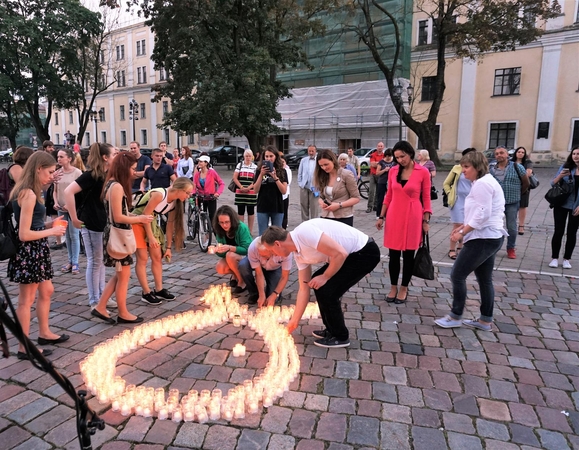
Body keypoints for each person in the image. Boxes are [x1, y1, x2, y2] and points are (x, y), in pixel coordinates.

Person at [261, 220, 380, 348]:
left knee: (328, 291)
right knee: (318, 284)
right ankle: (331, 330)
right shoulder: (298, 254)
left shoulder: (304, 233)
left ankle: (340, 336)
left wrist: (325, 276)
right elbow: (304, 288)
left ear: (277, 244)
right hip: (347, 256)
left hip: (365, 253)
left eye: (271, 250)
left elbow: (340, 253)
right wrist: (294, 322)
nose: (272, 254)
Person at [434, 150, 507, 331]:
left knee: (457, 275)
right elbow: (480, 212)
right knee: (484, 279)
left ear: (477, 167)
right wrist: (463, 227)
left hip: (483, 237)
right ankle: (485, 319)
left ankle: (455, 315)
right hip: (490, 236)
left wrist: (462, 232)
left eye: (466, 167)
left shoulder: (482, 184)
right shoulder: (484, 182)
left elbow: (483, 213)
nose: (463, 171)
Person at [7, 152, 68, 360]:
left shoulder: (31, 191)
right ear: (38, 168)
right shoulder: (28, 193)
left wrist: (52, 224)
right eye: (49, 172)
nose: (51, 176)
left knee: (47, 290)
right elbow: (24, 234)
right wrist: (52, 232)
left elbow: (34, 224)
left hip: (37, 249)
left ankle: (44, 333)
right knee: (26, 300)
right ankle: (24, 346)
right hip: (30, 251)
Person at [90, 152, 154, 325]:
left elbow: (119, 213)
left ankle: (101, 306)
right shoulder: (116, 186)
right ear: (124, 168)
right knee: (123, 276)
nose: (134, 172)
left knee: (120, 275)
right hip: (119, 236)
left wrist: (133, 214)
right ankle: (123, 312)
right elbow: (118, 217)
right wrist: (139, 219)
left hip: (115, 234)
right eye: (132, 169)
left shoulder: (110, 183)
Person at [64, 142, 119, 310]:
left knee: (100, 262)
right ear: (105, 157)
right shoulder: (91, 175)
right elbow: (68, 192)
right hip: (90, 222)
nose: (116, 156)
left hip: (102, 222)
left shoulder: (106, 174)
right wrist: (73, 217)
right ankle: (95, 300)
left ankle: (102, 297)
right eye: (114, 154)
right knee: (94, 262)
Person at [376, 141, 432, 304]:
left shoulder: (423, 172)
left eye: (402, 156)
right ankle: (393, 287)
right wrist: (381, 216)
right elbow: (388, 196)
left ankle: (404, 288)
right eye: (397, 157)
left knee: (408, 255)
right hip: (394, 214)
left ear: (410, 153)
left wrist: (426, 220)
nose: (400, 160)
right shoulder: (393, 171)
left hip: (413, 214)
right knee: (393, 255)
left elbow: (427, 197)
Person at [132, 177, 193, 304]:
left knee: (157, 257)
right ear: (179, 189)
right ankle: (146, 292)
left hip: (151, 222)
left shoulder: (175, 203)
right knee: (142, 258)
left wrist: (169, 247)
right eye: (187, 193)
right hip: (137, 221)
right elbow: (145, 215)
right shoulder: (160, 195)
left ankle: (159, 289)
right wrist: (151, 237)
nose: (188, 196)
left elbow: (170, 225)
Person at [489, 146, 529, 259]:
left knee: (511, 227)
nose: (499, 155)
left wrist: (518, 193)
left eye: (501, 153)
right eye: (496, 154)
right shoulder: (491, 169)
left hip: (512, 202)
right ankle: (495, 247)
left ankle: (511, 248)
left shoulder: (517, 167)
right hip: (496, 203)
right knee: (496, 226)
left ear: (507, 155)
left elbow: (526, 182)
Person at [548, 146, 579, 269]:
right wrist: (560, 176)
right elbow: (552, 183)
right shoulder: (566, 167)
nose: (576, 156)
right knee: (558, 231)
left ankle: (567, 259)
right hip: (561, 204)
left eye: (578, 154)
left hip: (576, 207)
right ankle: (554, 258)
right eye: (574, 153)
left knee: (572, 233)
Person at [239, 236, 292, 306]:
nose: (261, 256)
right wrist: (261, 295)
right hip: (258, 265)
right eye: (259, 254)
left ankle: (270, 290)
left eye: (264, 255)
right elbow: (258, 273)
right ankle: (254, 292)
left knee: (272, 299)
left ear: (272, 251)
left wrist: (274, 295)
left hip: (275, 268)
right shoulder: (253, 248)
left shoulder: (284, 252)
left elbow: (285, 276)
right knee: (243, 266)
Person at [53, 148, 83, 274]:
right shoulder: (58, 172)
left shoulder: (77, 173)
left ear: (69, 158)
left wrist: (68, 204)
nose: (59, 159)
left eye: (61, 156)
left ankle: (75, 261)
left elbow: (80, 192)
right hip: (60, 208)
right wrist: (55, 202)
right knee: (67, 236)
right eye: (58, 156)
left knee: (74, 234)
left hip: (72, 208)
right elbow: (55, 190)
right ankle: (70, 260)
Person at [212, 205, 253, 294]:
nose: (224, 225)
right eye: (221, 222)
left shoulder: (241, 227)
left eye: (227, 222)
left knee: (230, 255)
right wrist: (217, 250)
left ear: (232, 220)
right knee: (220, 268)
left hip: (246, 257)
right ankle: (236, 274)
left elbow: (248, 249)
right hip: (231, 257)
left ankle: (242, 282)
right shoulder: (219, 229)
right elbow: (222, 254)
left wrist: (231, 248)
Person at [443, 148, 475, 259]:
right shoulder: (457, 168)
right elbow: (446, 183)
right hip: (457, 201)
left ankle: (460, 247)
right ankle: (452, 249)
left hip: (470, 201)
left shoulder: (476, 170)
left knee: (466, 225)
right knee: (457, 225)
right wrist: (450, 193)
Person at [314, 149, 360, 226]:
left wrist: (339, 205)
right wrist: (321, 202)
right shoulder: (323, 176)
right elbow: (321, 196)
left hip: (343, 217)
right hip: (326, 216)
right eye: (321, 166)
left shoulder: (346, 174)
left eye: (326, 164)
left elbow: (356, 198)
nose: (324, 168)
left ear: (333, 160)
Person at [253, 146, 288, 235]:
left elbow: (284, 191)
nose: (269, 159)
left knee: (277, 234)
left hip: (277, 206)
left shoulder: (282, 171)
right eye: (266, 156)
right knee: (262, 234)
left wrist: (275, 177)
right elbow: (255, 190)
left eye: (271, 156)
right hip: (262, 205)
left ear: (276, 156)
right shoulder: (259, 171)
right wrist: (261, 175)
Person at [232, 149, 258, 233]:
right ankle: (241, 230)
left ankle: (250, 231)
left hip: (251, 193)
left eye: (249, 156)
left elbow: (256, 180)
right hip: (240, 192)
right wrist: (241, 187)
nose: (248, 158)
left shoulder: (255, 167)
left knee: (251, 211)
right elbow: (235, 178)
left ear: (252, 157)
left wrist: (249, 187)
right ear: (244, 156)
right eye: (246, 156)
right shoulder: (239, 165)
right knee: (240, 211)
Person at [193, 154, 224, 223]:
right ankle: (200, 229)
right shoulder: (197, 174)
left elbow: (221, 183)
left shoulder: (212, 172)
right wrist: (193, 193)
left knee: (212, 217)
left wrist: (217, 193)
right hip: (201, 197)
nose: (199, 163)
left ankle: (213, 231)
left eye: (201, 161)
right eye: (198, 161)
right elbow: (194, 185)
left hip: (211, 197)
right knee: (200, 216)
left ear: (206, 163)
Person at [511, 146, 533, 235]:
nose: (520, 153)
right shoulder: (511, 162)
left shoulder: (527, 162)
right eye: (519, 152)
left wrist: (515, 176)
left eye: (522, 152)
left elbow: (528, 173)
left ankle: (521, 225)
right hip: (512, 186)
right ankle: (511, 225)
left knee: (522, 206)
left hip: (524, 186)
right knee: (511, 206)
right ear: (516, 153)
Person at [297, 145, 319, 221]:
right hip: (304, 186)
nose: (311, 152)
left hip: (315, 187)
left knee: (314, 206)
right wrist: (300, 183)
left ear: (316, 151)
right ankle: (304, 222)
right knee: (304, 205)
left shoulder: (319, 160)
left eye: (313, 151)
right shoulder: (304, 160)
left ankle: (314, 222)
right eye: (309, 151)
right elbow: (300, 172)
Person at [375, 148, 395, 219]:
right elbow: (377, 173)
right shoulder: (381, 162)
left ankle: (388, 213)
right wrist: (384, 170)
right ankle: (379, 214)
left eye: (389, 156)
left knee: (390, 198)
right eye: (387, 156)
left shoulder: (394, 162)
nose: (388, 158)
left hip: (391, 182)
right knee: (380, 198)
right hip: (382, 181)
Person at [367, 142, 385, 213]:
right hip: (373, 174)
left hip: (380, 175)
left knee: (379, 192)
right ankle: (369, 206)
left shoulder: (384, 155)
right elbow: (372, 164)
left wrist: (377, 163)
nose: (380, 147)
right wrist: (380, 163)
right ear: (376, 147)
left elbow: (383, 164)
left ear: (383, 147)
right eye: (378, 146)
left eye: (381, 146)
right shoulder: (373, 155)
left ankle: (376, 206)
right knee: (371, 191)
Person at [279, 153, 292, 229]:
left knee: (284, 211)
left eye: (283, 162)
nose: (282, 164)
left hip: (285, 194)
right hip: (277, 195)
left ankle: (284, 226)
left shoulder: (288, 170)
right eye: (280, 162)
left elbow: (288, 182)